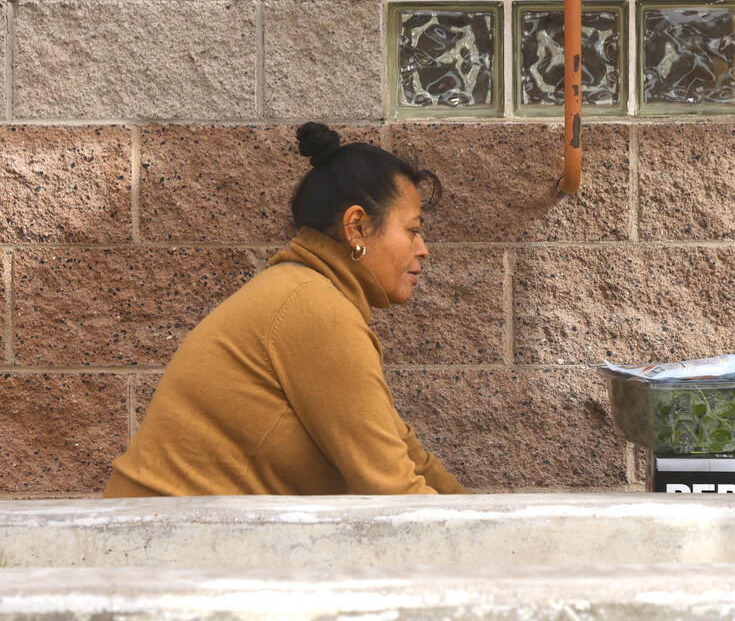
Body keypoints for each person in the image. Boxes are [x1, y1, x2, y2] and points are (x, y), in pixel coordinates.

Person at [103, 123, 465, 496]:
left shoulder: (308, 293)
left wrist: (481, 516)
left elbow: (410, 456)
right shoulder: (316, 309)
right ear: (357, 227)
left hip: (178, 525)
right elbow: (394, 489)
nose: (423, 249)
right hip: (163, 528)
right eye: (412, 230)